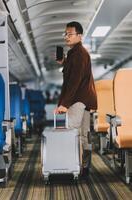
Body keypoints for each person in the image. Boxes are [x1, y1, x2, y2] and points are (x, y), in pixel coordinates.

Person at [54, 21, 97, 178]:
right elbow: (74, 75)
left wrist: (64, 104)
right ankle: (84, 168)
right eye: (65, 34)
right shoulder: (76, 54)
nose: (66, 37)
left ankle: (73, 167)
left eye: (70, 34)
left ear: (79, 36)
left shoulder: (79, 54)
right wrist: (64, 62)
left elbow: (74, 81)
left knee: (72, 132)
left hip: (78, 99)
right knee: (84, 135)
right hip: (85, 98)